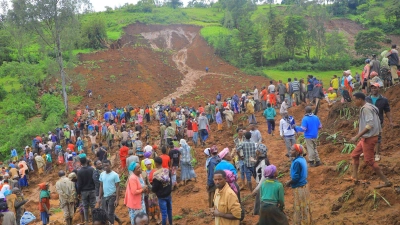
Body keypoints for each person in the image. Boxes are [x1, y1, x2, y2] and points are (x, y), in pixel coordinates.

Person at [351, 92, 392, 189]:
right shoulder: (370, 106)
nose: (354, 103)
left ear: (360, 99)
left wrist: (357, 136)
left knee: (369, 161)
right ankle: (354, 177)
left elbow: (370, 125)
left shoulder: (366, 109)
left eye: (355, 100)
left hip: (369, 138)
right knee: (354, 155)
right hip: (366, 137)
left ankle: (386, 181)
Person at [285, 144, 312, 225]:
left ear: (297, 152)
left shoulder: (296, 162)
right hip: (304, 185)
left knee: (300, 208)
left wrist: (288, 183)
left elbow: (296, 177)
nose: (290, 151)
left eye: (292, 150)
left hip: (299, 187)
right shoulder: (302, 159)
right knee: (305, 206)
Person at [99, 160, 120, 225]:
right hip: (104, 196)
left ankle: (111, 223)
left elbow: (117, 187)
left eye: (107, 165)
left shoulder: (115, 175)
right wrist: (99, 197)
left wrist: (117, 199)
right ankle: (116, 220)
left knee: (110, 213)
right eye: (104, 166)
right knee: (105, 212)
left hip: (112, 196)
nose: (105, 167)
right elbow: (101, 186)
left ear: (110, 165)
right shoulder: (102, 174)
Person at [152, 157, 173, 225]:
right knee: (169, 210)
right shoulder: (167, 171)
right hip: (168, 194)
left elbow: (154, 188)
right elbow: (170, 182)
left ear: (156, 164)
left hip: (161, 196)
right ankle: (170, 223)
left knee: (164, 213)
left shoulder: (156, 175)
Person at [77, 157, 96, 225]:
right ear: (86, 161)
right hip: (92, 190)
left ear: (80, 162)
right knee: (93, 206)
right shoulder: (92, 169)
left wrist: (78, 192)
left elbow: (79, 184)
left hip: (84, 191)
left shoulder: (79, 171)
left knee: (85, 206)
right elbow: (94, 179)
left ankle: (87, 221)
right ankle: (94, 220)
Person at [206, 146, 220, 212]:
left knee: (211, 196)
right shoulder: (220, 159)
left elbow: (211, 173)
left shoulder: (211, 161)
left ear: (211, 153)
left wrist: (209, 183)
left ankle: (212, 211)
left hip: (213, 181)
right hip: (220, 180)